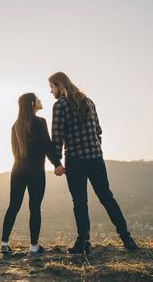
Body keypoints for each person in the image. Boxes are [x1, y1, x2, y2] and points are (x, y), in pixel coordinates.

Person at [48, 71, 138, 254]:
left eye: (51, 87)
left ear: (59, 85)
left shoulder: (60, 105)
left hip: (75, 160)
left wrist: (56, 162)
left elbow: (56, 137)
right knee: (107, 197)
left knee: (80, 202)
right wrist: (95, 148)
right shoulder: (88, 101)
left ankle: (83, 243)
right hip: (96, 158)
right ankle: (127, 239)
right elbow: (98, 131)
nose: (51, 92)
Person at [1, 93, 64, 256]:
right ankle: (33, 248)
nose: (40, 101)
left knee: (13, 206)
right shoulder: (40, 122)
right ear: (31, 103)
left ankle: (4, 244)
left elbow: (15, 152)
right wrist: (57, 164)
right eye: (38, 99)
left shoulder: (15, 126)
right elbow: (47, 146)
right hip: (35, 168)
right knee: (35, 208)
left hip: (17, 169)